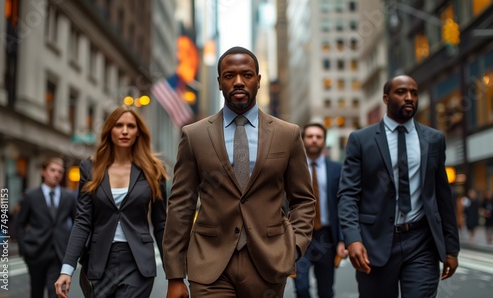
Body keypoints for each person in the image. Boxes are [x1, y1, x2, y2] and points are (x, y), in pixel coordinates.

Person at [163, 46, 316, 297]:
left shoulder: (287, 134)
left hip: (268, 262)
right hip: (209, 264)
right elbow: (181, 203)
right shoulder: (195, 135)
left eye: (246, 75)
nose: (238, 82)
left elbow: (303, 199)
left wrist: (294, 247)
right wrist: (175, 275)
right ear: (219, 82)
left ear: (258, 80)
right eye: (229, 76)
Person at [337, 75, 460, 298]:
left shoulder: (433, 139)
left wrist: (452, 248)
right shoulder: (361, 140)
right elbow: (348, 195)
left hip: (421, 241)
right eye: (401, 92)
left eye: (414, 93)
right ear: (386, 98)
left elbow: (442, 195)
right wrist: (353, 239)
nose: (409, 97)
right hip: (375, 244)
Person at [54, 105, 168, 298]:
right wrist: (67, 268)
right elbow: (82, 221)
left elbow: (161, 224)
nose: (125, 131)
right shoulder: (90, 167)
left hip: (138, 263)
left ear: (138, 132)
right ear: (109, 130)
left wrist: (174, 274)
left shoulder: (154, 169)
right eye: (118, 125)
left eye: (131, 126)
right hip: (99, 262)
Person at [293, 123, 348, 298]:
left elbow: (343, 205)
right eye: (310, 136)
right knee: (301, 289)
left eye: (318, 137)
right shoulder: (292, 168)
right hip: (299, 235)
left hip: (326, 237)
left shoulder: (337, 169)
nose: (314, 140)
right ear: (303, 140)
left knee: (326, 291)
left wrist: (342, 239)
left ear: (324, 141)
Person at [16, 157, 76, 298]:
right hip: (36, 252)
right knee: (36, 292)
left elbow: (77, 223)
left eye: (60, 172)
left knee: (55, 293)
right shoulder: (31, 196)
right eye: (53, 170)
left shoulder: (68, 197)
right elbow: (20, 224)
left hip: (59, 253)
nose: (56, 174)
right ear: (43, 172)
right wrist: (24, 249)